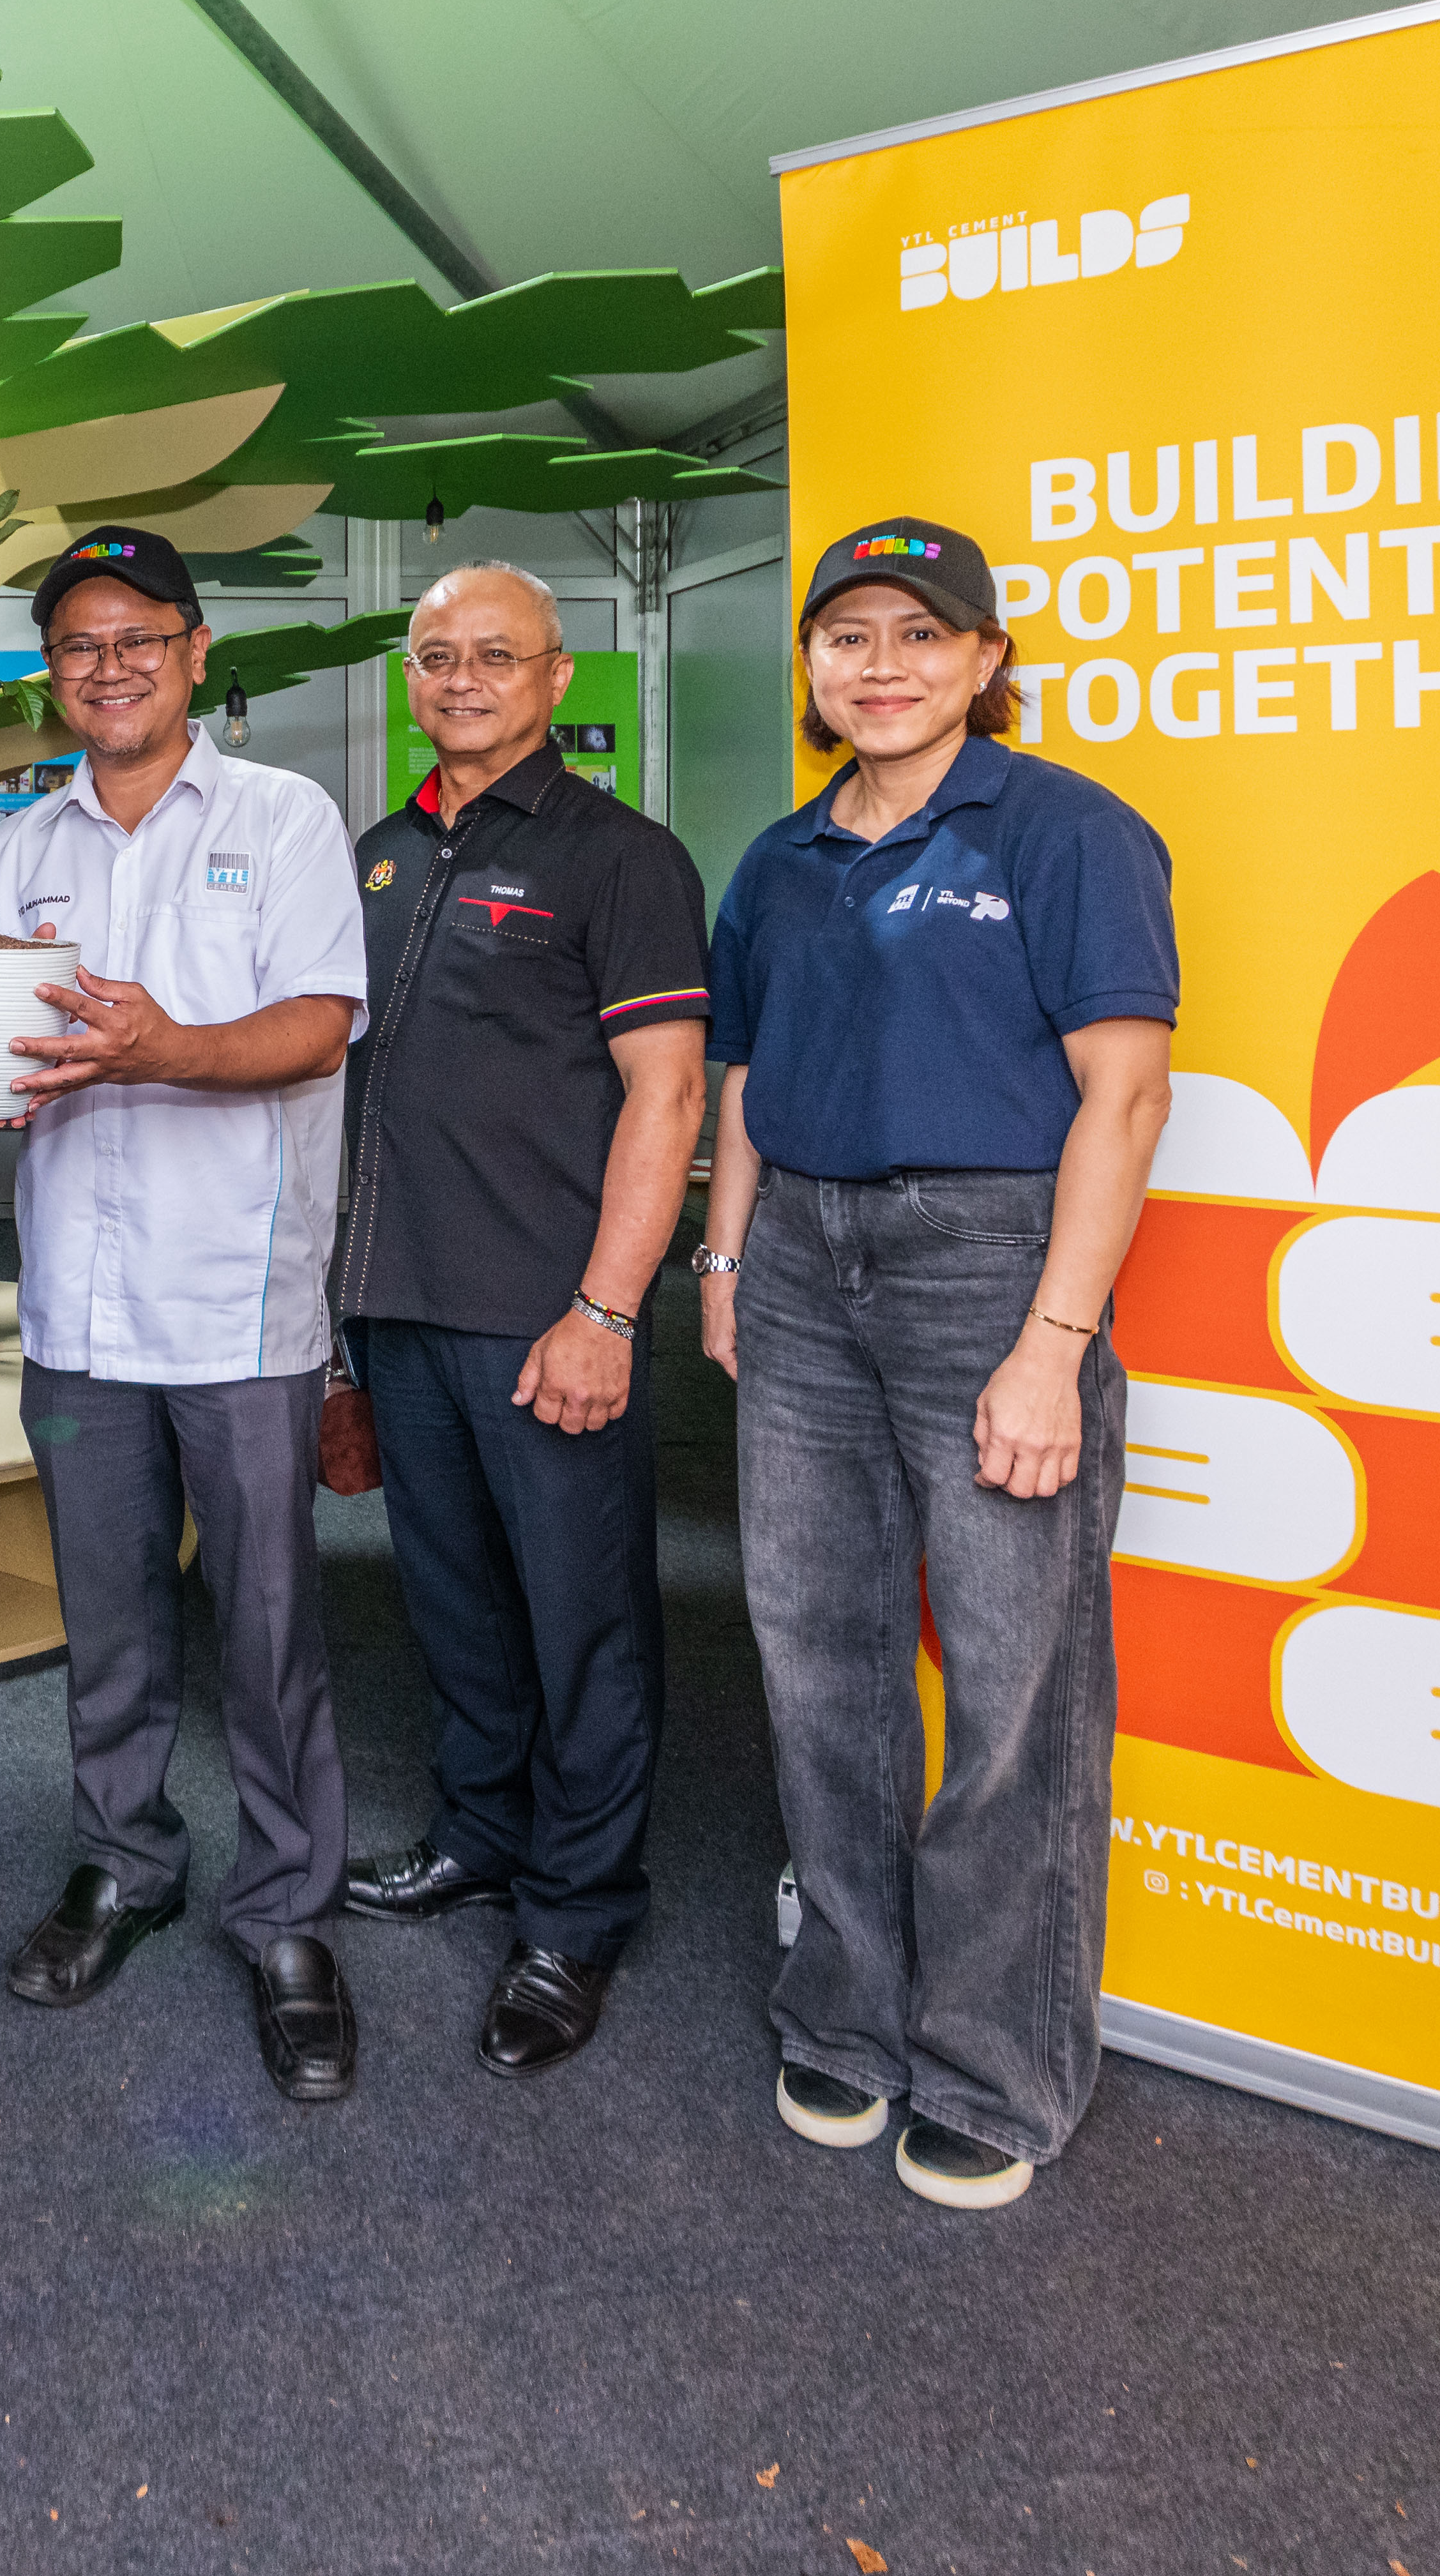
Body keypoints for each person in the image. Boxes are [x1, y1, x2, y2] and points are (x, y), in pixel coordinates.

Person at [699, 516, 1174, 2212]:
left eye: (916, 633)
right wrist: (726, 1259)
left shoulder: (1063, 831)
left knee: (1007, 1680)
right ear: (813, 667)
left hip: (994, 1267)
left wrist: (1053, 1343)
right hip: (805, 1273)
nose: (877, 663)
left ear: (983, 658)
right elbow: (742, 1082)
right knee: (815, 1653)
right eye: (846, 635)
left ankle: (995, 2057)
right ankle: (850, 2003)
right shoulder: (776, 860)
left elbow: (1121, 1096)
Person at [0, 527, 372, 2103]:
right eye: (79, 643)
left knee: (269, 1631)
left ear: (197, 653)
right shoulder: (21, 842)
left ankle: (286, 1911)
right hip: (76, 1303)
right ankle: (124, 1861)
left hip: (239, 1309)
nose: (110, 664)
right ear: (51, 674)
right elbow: (9, 1034)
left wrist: (154, 1043)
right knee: (109, 1615)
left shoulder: (283, 818)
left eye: (140, 637)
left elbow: (318, 1028)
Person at [327, 562, 709, 2080]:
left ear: (557, 679)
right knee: (456, 1602)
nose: (464, 678)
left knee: (584, 1620)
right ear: (408, 682)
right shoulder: (374, 856)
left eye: (497, 654)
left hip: (548, 1317)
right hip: (401, 1305)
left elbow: (670, 1094)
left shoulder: (620, 859)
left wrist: (610, 1308)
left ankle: (576, 1909)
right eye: (437, 656)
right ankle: (482, 1839)